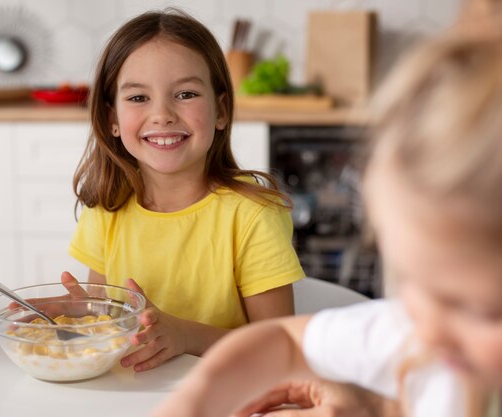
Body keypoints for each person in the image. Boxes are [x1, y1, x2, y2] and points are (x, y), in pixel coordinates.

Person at [149, 2, 502, 416]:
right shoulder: (418, 335)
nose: (431, 329)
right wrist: (194, 403)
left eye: (480, 310)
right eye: (412, 283)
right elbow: (284, 340)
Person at [62, 8, 305, 373]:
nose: (162, 114)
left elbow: (279, 349)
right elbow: (107, 321)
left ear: (221, 110)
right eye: (138, 98)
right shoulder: (106, 208)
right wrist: (78, 316)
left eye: (186, 93)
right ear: (112, 119)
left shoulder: (253, 215)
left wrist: (185, 336)